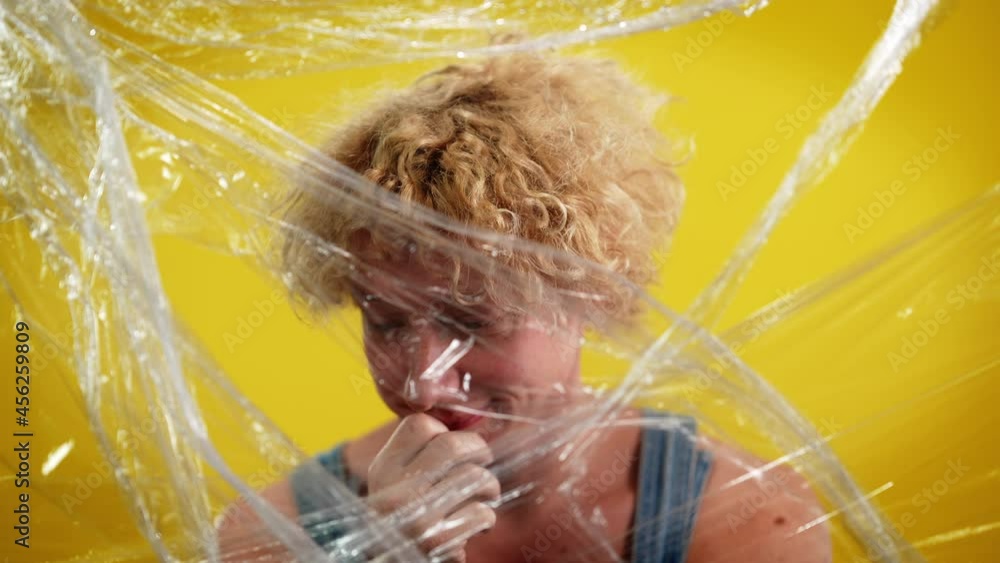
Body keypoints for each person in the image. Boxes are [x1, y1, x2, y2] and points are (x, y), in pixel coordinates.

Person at [217, 51, 831, 563]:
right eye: (384, 321)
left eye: (473, 322)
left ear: (589, 294)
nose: (423, 382)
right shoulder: (268, 532)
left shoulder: (749, 518)